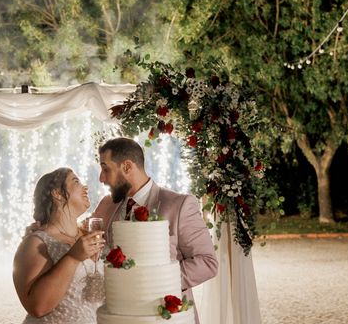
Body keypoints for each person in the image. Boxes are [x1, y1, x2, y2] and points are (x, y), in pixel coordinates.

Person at [92, 137, 218, 324]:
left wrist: (154, 282)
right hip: (120, 315)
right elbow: (86, 244)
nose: (101, 178)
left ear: (127, 167)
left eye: (105, 169)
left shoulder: (179, 205)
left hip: (164, 316)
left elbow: (207, 262)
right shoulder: (106, 205)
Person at [13, 167, 106, 323]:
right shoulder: (36, 243)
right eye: (76, 181)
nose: (86, 187)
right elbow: (37, 307)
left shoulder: (88, 235)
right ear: (57, 193)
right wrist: (73, 258)